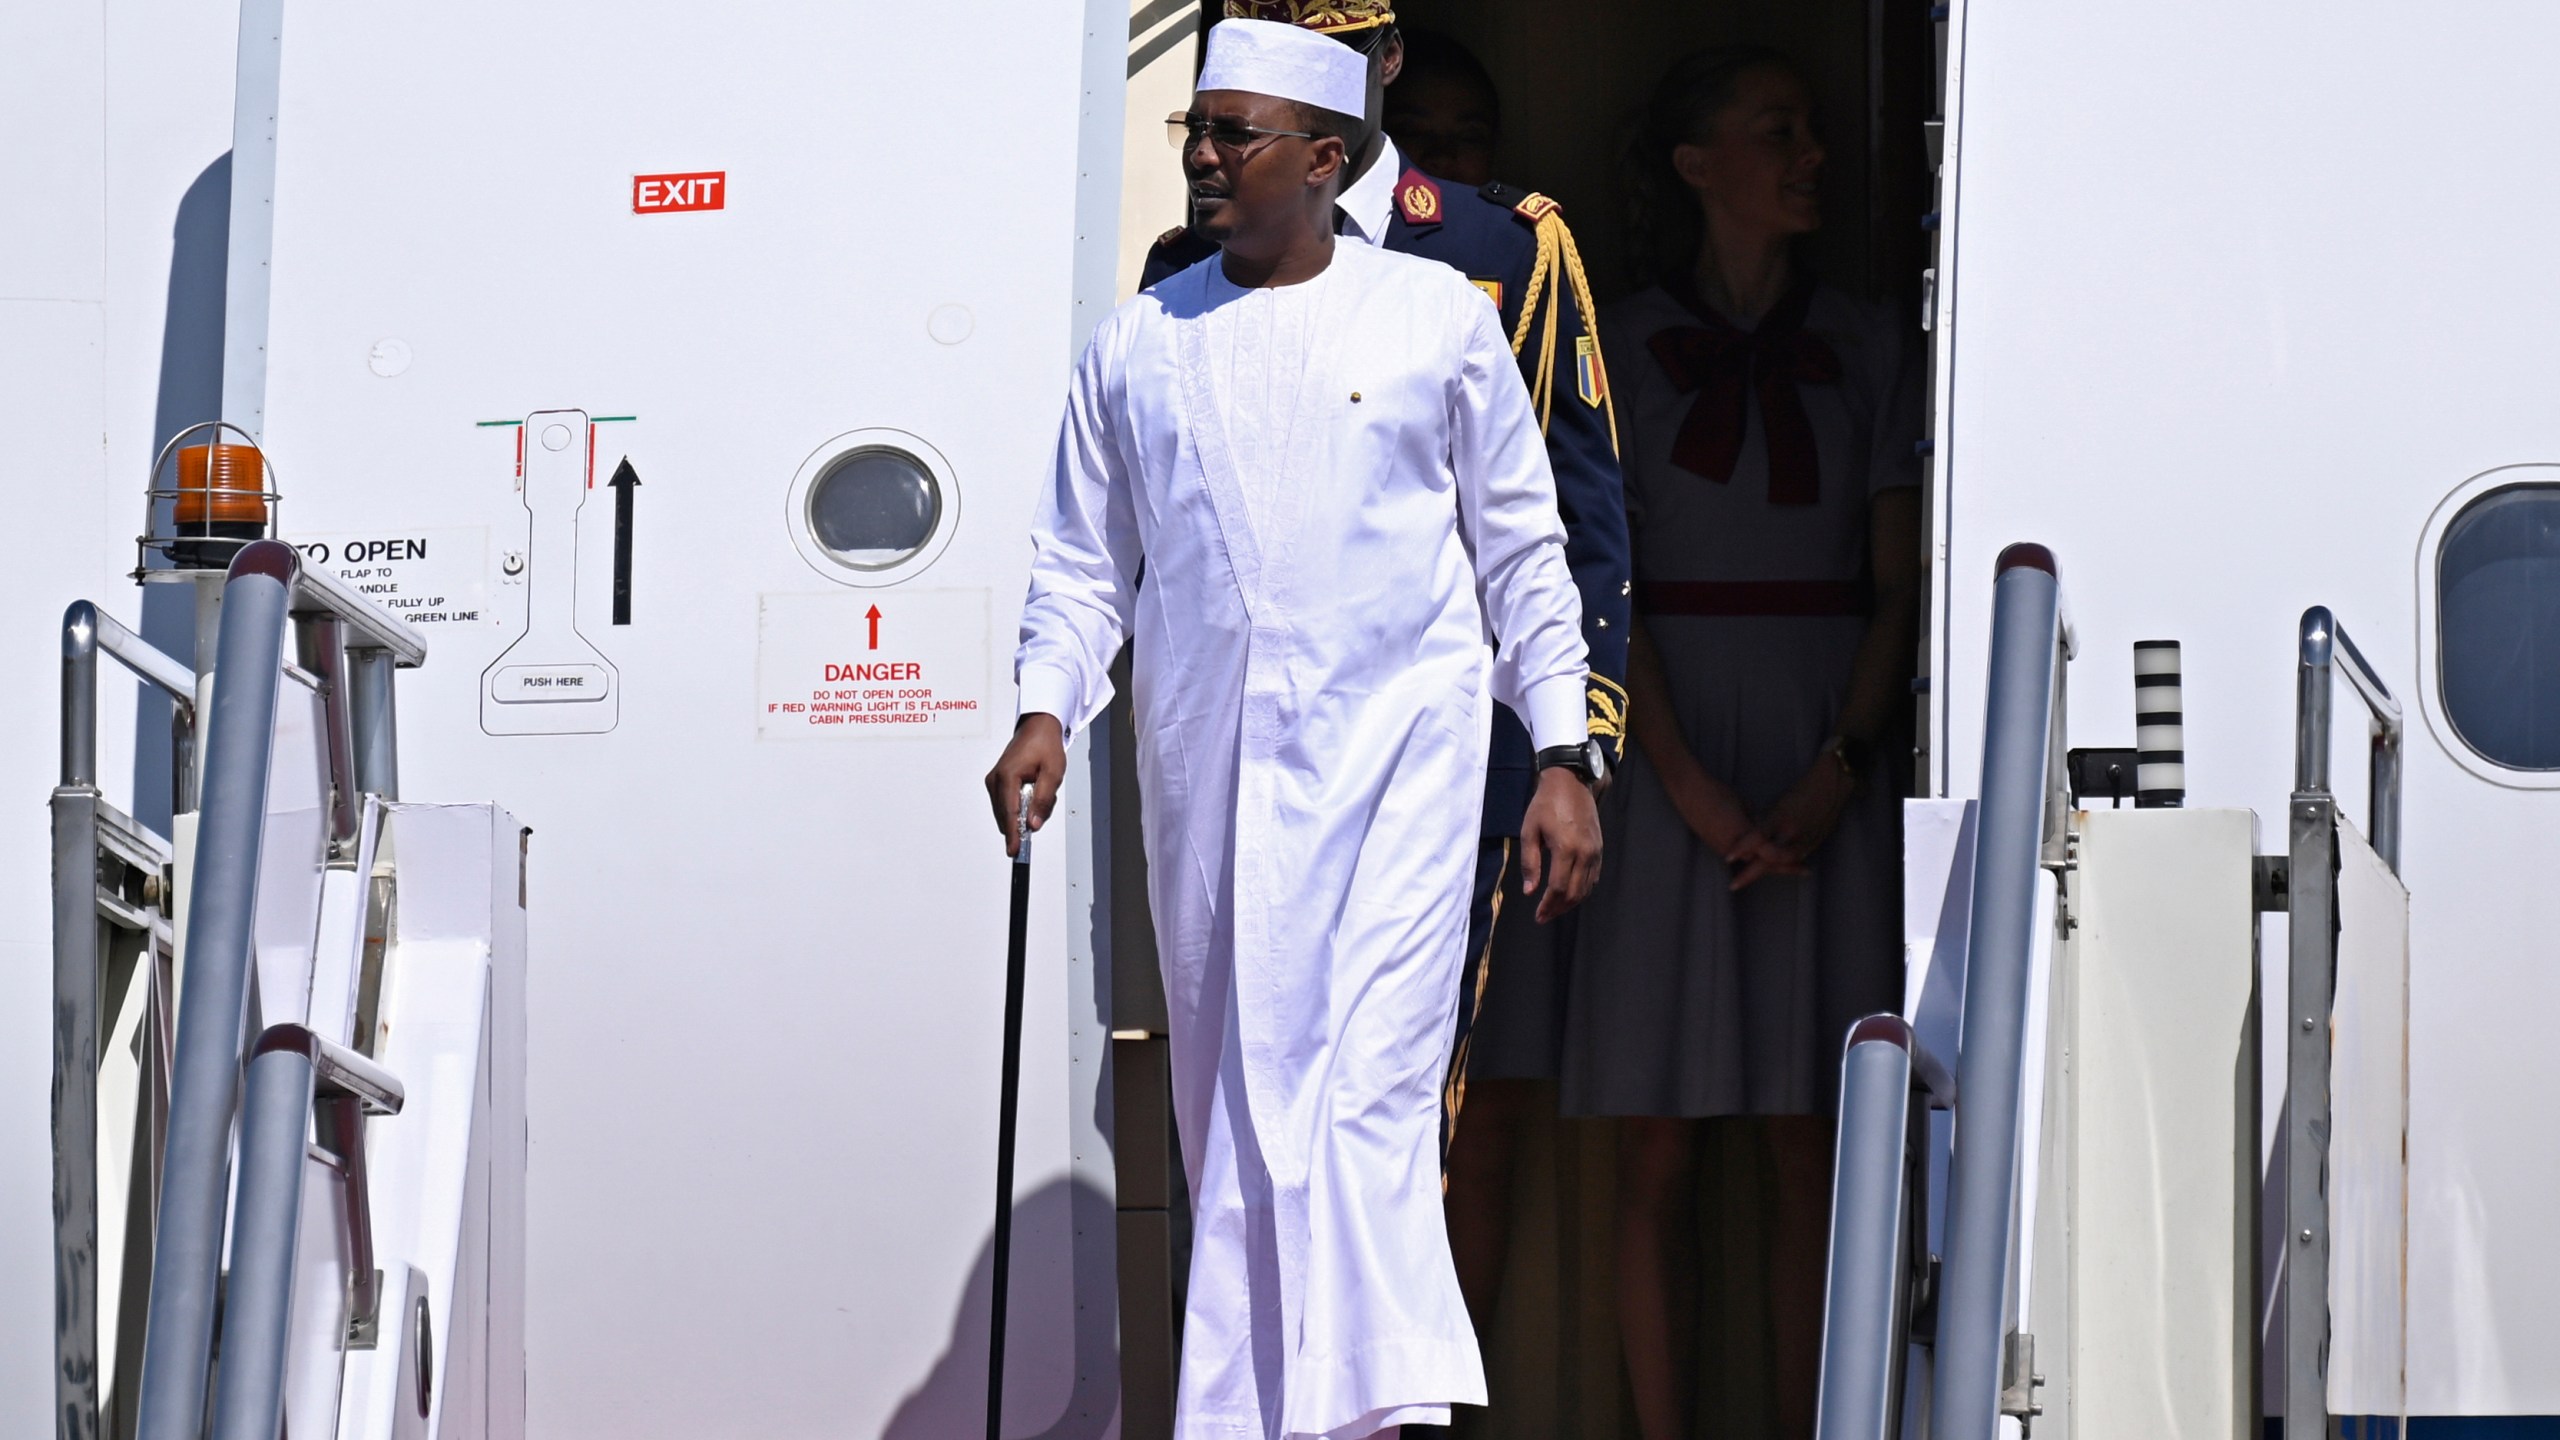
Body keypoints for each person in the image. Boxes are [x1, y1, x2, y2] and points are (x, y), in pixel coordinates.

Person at [985, 19, 1605, 1438]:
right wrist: (1047, 708)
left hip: (1403, 778)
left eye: (1235, 136)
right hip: (1209, 788)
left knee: (1363, 1110)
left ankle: (1369, 1416)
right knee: (1237, 1121)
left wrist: (1564, 751)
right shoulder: (1142, 341)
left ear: (1328, 160)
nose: (1203, 159)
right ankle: (1267, 1416)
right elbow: (1085, 563)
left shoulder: (1436, 319)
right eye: (1193, 134)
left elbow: (1524, 552)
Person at [1145, 3, 1631, 1352]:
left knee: (1410, 1118)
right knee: (1252, 1121)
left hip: (1441, 760)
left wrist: (1568, 746)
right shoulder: (1190, 269)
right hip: (1247, 769)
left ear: (1384, 62)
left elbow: (1566, 527)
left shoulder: (1489, 248)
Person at [1557, 47, 1921, 1439]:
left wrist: (1840, 768)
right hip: (1666, 753)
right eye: (1781, 131)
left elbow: (1899, 584)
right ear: (1701, 167)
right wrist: (1691, 785)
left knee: (1813, 1142)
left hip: (1829, 741)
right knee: (1660, 1143)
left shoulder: (1875, 342)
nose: (1812, 153)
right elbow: (1601, 577)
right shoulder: (1624, 346)